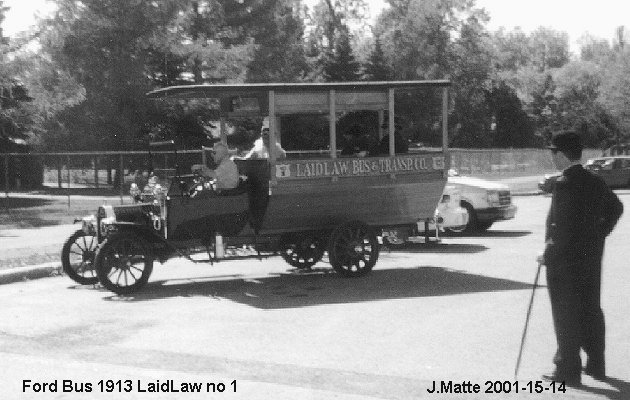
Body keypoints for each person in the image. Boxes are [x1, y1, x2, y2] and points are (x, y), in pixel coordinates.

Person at [538, 130, 623, 386]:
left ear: (562, 155)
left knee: (565, 314)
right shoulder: (595, 181)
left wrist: (546, 252)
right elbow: (616, 208)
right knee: (590, 310)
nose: (552, 157)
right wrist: (599, 235)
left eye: (553, 152)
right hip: (590, 259)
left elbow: (561, 229)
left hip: (564, 262)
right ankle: (596, 364)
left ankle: (567, 369)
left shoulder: (564, 183)